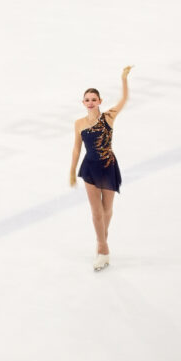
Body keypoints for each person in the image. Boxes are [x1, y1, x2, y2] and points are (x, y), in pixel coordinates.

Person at [69, 67, 132, 270]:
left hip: (108, 166)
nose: (90, 102)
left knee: (107, 210)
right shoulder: (79, 123)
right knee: (96, 212)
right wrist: (71, 171)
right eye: (87, 99)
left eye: (93, 99)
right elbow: (77, 148)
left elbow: (124, 100)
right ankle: (103, 250)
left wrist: (123, 79)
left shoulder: (108, 118)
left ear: (100, 101)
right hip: (90, 168)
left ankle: (101, 243)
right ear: (83, 102)